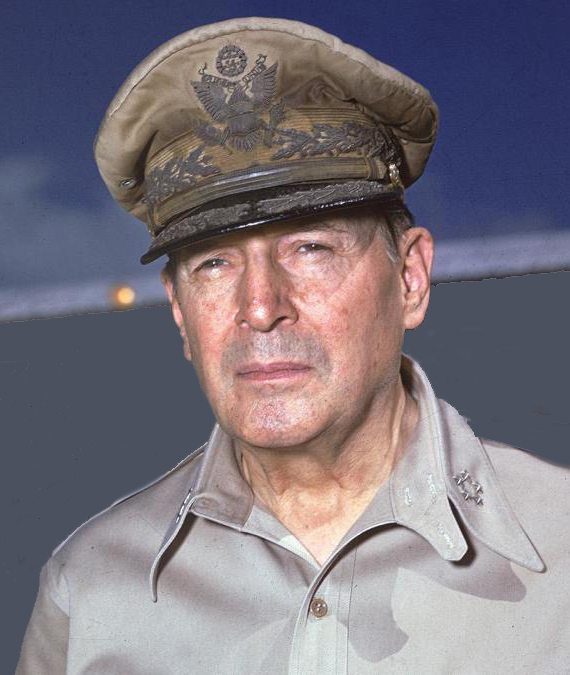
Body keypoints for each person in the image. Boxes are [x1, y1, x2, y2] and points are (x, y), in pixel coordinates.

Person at [17, 17, 569, 675]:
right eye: (214, 263)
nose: (260, 307)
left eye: (311, 247)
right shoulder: (88, 595)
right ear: (180, 313)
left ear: (411, 279)